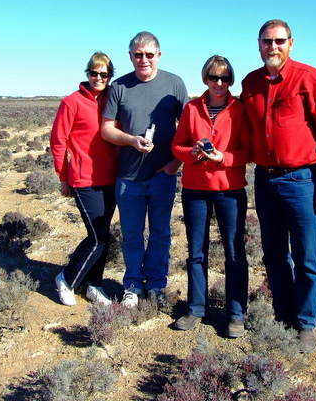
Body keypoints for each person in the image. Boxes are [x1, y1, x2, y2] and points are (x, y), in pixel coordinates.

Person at [240, 20, 316, 353]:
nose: (273, 47)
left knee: (306, 256)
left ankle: (306, 323)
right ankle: (283, 316)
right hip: (265, 179)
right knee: (273, 254)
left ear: (291, 43)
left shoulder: (310, 79)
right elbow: (239, 127)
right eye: (266, 41)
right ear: (258, 44)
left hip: (301, 179)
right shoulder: (250, 82)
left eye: (279, 41)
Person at [102, 31, 188, 307]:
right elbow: (106, 129)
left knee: (161, 233)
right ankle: (132, 284)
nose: (144, 60)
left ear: (159, 55)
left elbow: (188, 128)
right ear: (130, 56)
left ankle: (156, 284)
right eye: (138, 55)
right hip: (128, 177)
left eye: (149, 55)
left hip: (162, 175)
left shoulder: (174, 84)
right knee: (132, 234)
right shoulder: (119, 87)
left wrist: (175, 164)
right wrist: (130, 140)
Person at [171, 55, 251, 338]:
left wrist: (223, 157)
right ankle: (195, 309)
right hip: (195, 190)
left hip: (229, 190)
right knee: (196, 252)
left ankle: (236, 314)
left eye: (225, 78)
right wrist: (190, 152)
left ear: (231, 80)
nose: (219, 83)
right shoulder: (192, 108)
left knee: (234, 252)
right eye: (213, 77)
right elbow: (176, 146)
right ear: (205, 78)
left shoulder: (239, 109)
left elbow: (248, 151)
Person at [50, 52, 118, 307]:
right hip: (83, 179)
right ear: (87, 74)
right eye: (94, 73)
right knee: (98, 236)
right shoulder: (72, 102)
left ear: (110, 76)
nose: (98, 78)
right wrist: (64, 177)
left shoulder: (114, 99)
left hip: (111, 178)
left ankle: (94, 285)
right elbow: (58, 142)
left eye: (104, 74)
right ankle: (67, 279)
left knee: (104, 235)